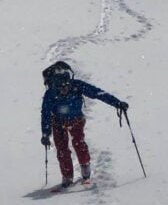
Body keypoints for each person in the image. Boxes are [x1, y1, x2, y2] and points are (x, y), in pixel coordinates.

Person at [40, 61, 128, 189]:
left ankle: (85, 169)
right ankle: (67, 177)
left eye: (66, 86)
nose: (64, 89)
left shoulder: (78, 86)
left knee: (79, 143)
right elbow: (46, 114)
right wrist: (45, 134)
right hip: (58, 123)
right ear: (55, 85)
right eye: (61, 87)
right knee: (62, 150)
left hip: (76, 121)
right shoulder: (50, 93)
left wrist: (117, 103)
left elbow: (98, 93)